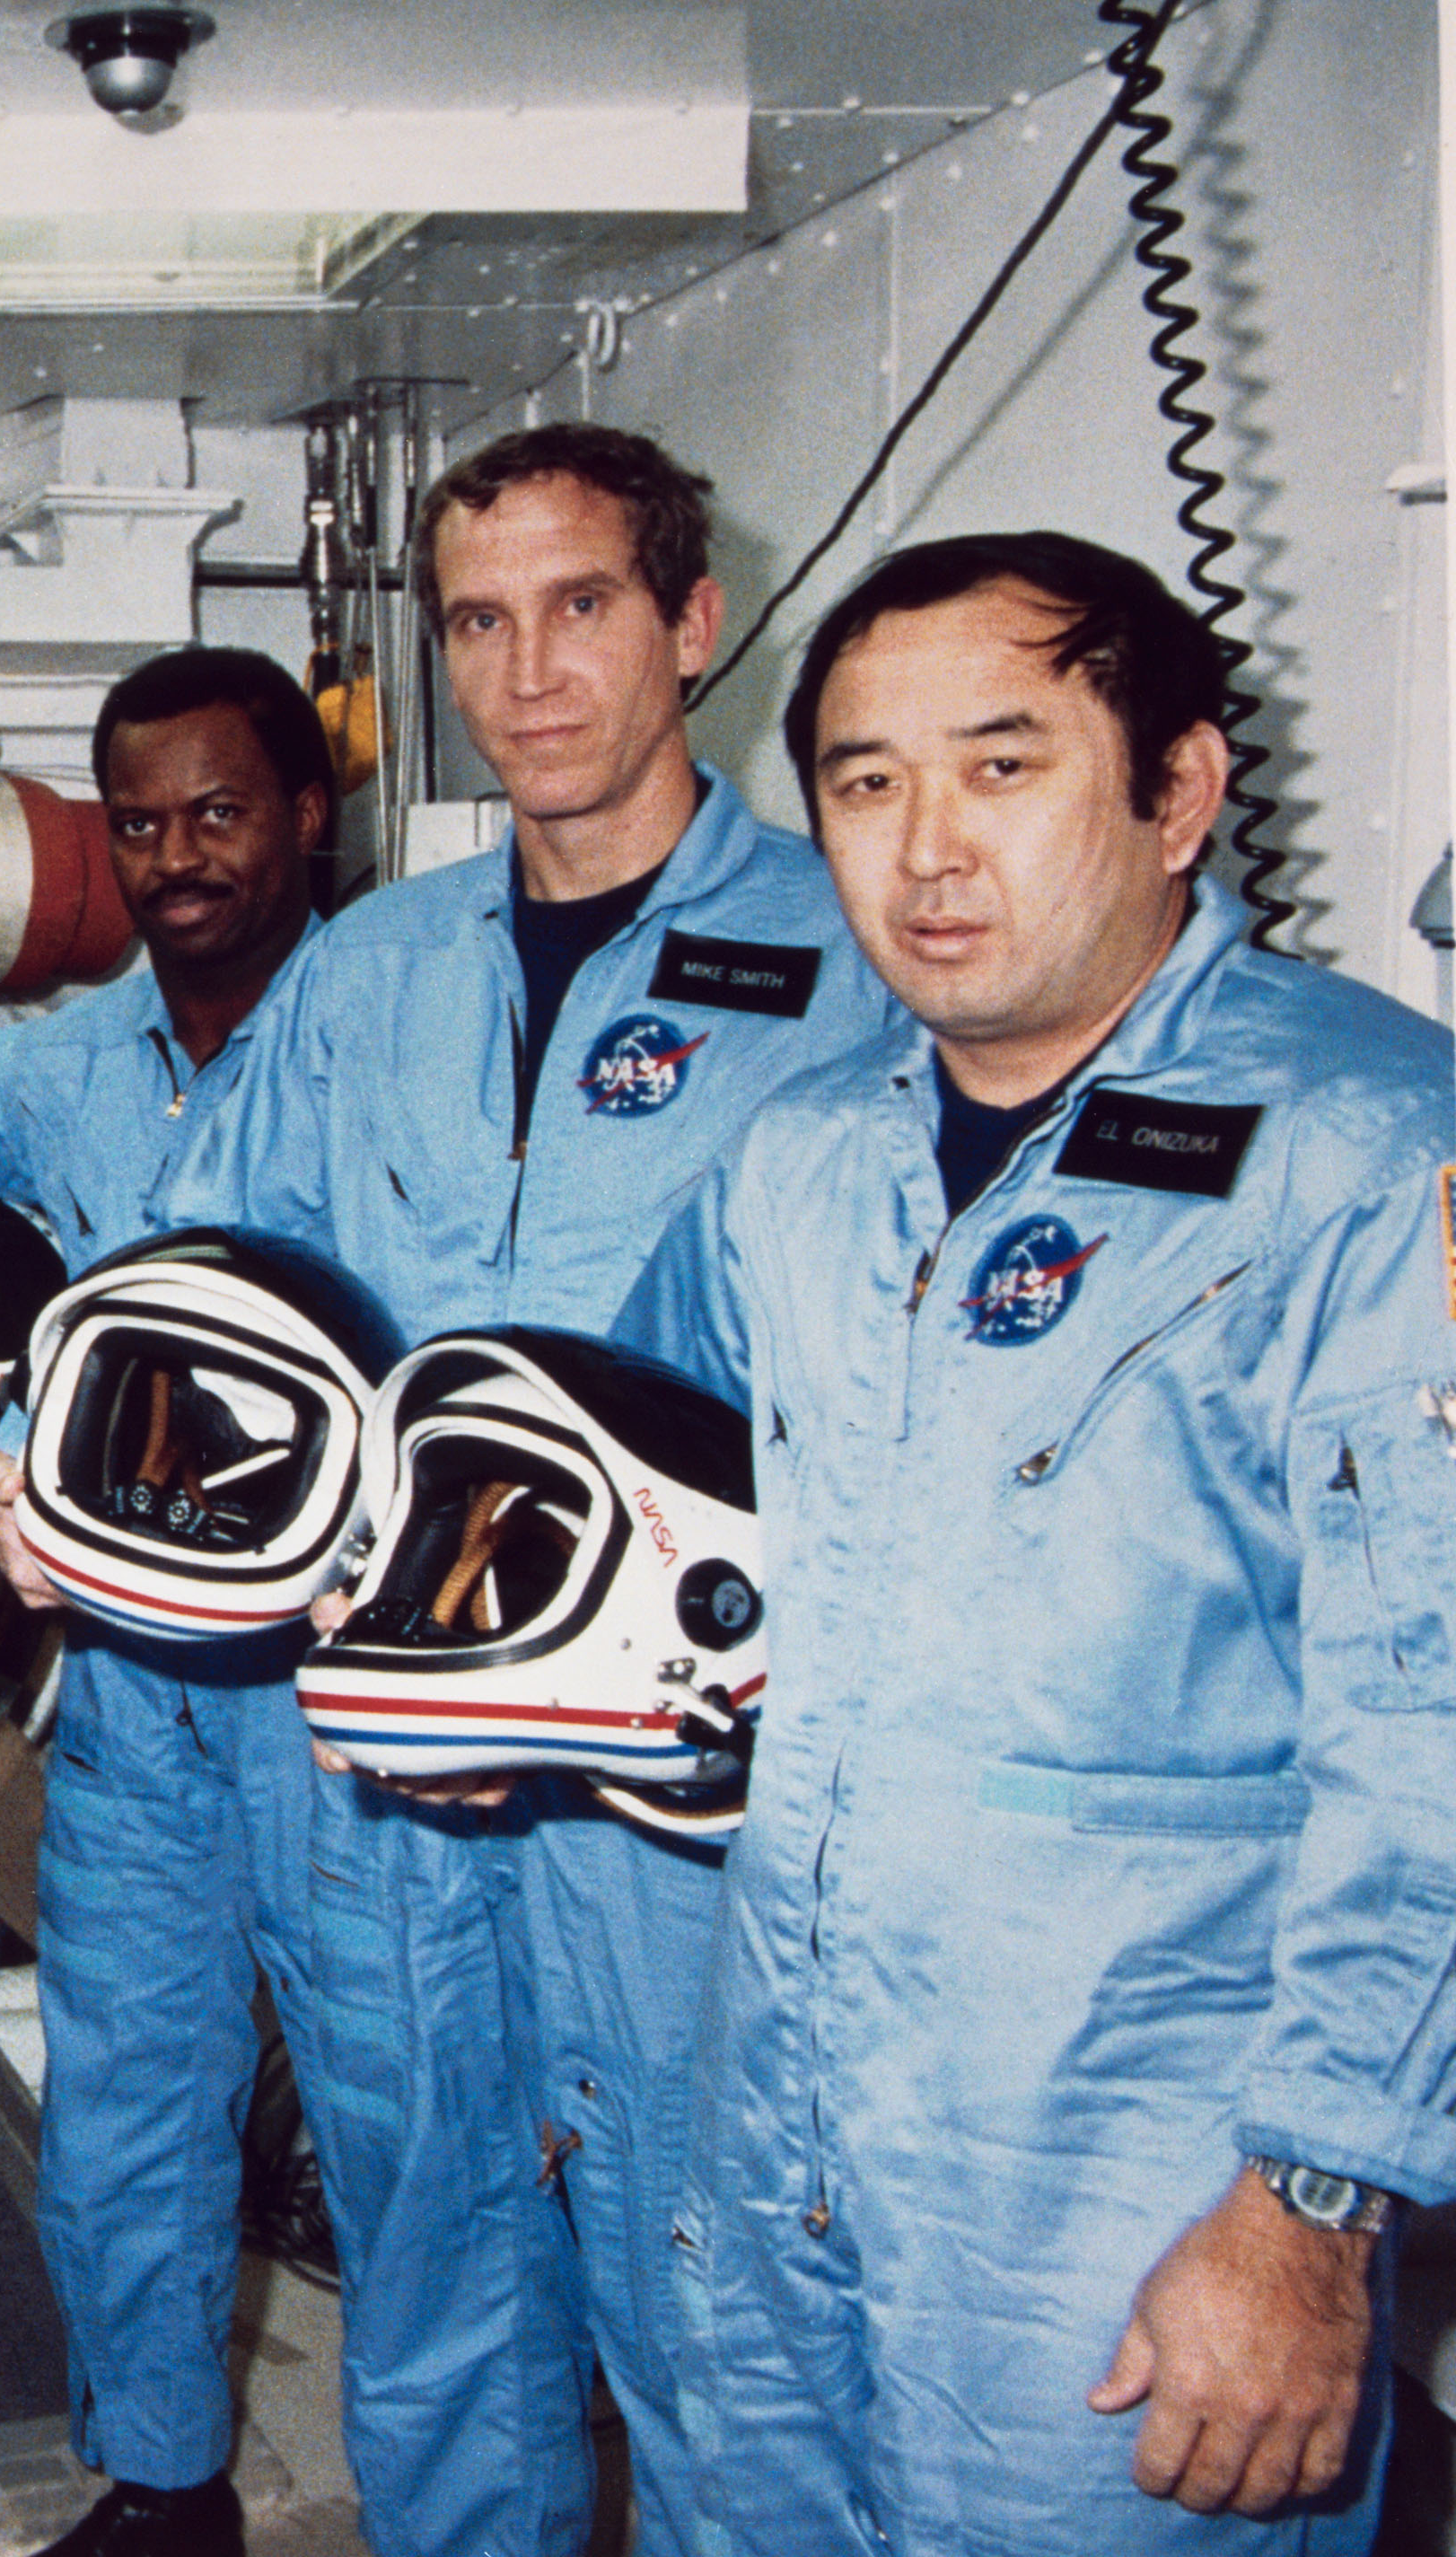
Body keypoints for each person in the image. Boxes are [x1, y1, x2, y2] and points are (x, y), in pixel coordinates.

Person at [622, 532, 1456, 2551]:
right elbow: (614, 1468)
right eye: (863, 779)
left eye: (1004, 767)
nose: (925, 849)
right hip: (789, 2121)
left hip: (1143, 2185)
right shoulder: (803, 1165)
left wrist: (1308, 2211)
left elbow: (1430, 1731)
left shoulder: (1372, 1154)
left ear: (1179, 792)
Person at [136, 423, 903, 2555]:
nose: (526, 668)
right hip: (383, 1763)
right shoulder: (365, 974)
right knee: (433, 2291)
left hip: (681, 1790)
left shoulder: (855, 968)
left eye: (579, 606)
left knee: (723, 2318)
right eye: (477, 617)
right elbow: (213, 1286)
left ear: (690, 622)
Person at [0, 646, 329, 2556]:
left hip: (358, 1693)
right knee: (129, 2114)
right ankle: (165, 2488)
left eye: (220, 812)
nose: (178, 858)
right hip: (135, 1693)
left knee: (422, 2133)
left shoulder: (414, 1050)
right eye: (139, 822)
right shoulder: (34, 1074)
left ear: (309, 813)